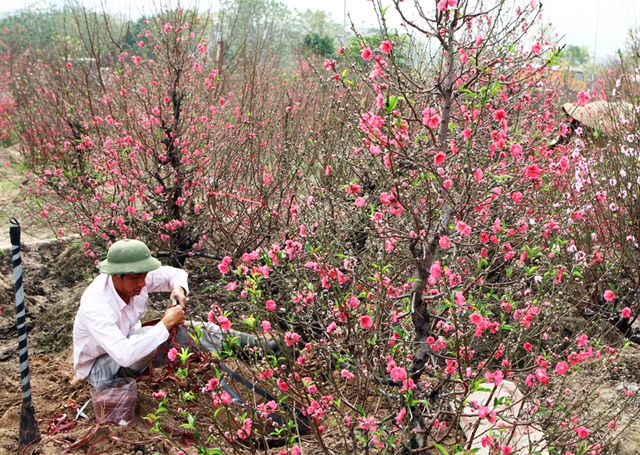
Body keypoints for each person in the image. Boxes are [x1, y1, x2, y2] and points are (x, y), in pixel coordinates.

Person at [73, 239, 269, 386]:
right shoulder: (97, 303)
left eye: (145, 276)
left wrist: (178, 289)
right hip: (100, 371)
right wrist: (165, 324)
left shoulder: (135, 280)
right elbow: (124, 354)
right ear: (116, 276)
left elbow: (175, 274)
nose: (143, 284)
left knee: (192, 332)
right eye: (135, 278)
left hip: (128, 348)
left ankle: (260, 349)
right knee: (158, 335)